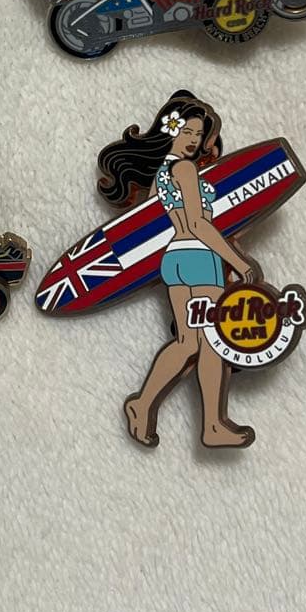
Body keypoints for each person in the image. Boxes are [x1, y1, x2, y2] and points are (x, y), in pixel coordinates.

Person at [97, 92, 257, 448]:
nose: (193, 141)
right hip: (200, 259)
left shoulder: (160, 174)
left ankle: (143, 404)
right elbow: (198, 224)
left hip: (174, 260)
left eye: (198, 135)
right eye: (187, 132)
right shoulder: (185, 170)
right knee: (212, 341)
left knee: (188, 343)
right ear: (170, 130)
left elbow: (159, 222)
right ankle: (212, 425)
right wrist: (237, 260)